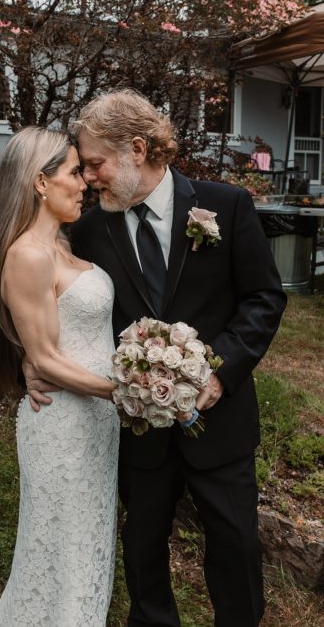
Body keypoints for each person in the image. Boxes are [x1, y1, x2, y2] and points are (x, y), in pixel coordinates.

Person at [28, 89, 287, 627]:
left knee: (236, 545)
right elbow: (48, 291)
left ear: (138, 149)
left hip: (220, 420)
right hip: (137, 429)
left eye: (95, 163)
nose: (89, 177)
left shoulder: (226, 204)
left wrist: (220, 372)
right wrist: (34, 355)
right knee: (143, 544)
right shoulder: (92, 227)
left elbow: (264, 298)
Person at [0, 127, 121, 627]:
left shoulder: (63, 243)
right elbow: (42, 359)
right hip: (62, 425)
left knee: (87, 546)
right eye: (72, 173)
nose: (84, 182)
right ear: (40, 183)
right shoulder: (27, 254)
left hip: (95, 427)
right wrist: (126, 393)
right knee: (58, 551)